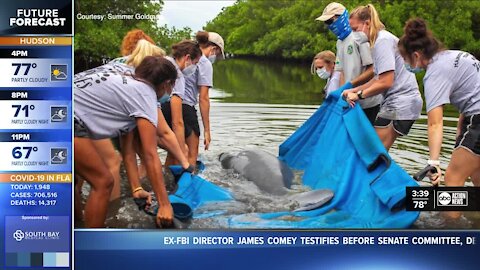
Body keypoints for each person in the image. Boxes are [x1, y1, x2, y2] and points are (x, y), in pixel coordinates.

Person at [74, 56, 179, 228]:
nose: (170, 93)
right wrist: (165, 204)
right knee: (103, 182)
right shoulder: (145, 93)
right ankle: (92, 244)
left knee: (75, 180)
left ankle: (77, 227)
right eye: (171, 87)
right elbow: (150, 154)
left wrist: (136, 188)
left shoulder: (127, 74)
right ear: (166, 83)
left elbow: (128, 149)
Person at [398, 18, 480, 188]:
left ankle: (445, 216)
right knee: (476, 175)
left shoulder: (434, 74)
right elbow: (473, 89)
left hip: (477, 120)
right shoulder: (452, 56)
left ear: (416, 55)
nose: (406, 64)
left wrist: (433, 162)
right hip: (472, 116)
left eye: (405, 59)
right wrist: (461, 126)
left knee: (452, 179)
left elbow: (435, 123)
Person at [342, 4, 422, 150]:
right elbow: (377, 79)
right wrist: (354, 90)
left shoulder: (382, 41)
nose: (353, 35)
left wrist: (359, 95)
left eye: (355, 29)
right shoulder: (377, 42)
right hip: (399, 103)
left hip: (400, 103)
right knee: (377, 155)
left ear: (367, 23)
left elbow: (386, 82)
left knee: (373, 155)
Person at [316, 2, 381, 124]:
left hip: (368, 101)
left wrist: (352, 86)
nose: (329, 26)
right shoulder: (339, 42)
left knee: (363, 140)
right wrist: (342, 95)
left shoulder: (359, 37)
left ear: (341, 18)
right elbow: (341, 72)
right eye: (326, 23)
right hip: (350, 100)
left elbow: (373, 69)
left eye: (330, 21)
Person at [179, 31, 225, 166]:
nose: (215, 57)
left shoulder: (182, 56)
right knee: (192, 152)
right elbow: (203, 98)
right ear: (213, 48)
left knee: (176, 149)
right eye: (216, 53)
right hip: (185, 107)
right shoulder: (204, 62)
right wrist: (207, 131)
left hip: (166, 106)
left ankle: (168, 181)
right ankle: (188, 182)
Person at [161, 40, 203, 167]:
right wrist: (181, 152)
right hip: (134, 108)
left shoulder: (163, 60)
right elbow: (177, 121)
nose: (195, 67)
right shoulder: (177, 76)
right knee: (179, 151)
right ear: (187, 58)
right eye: (195, 63)